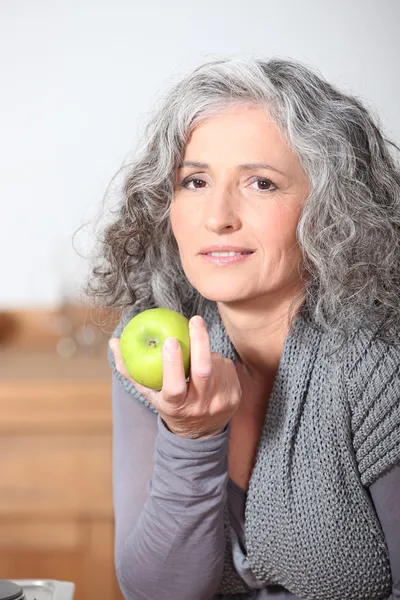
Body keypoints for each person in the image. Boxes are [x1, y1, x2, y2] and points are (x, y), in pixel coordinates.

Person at [87, 57, 400, 599]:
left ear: (331, 208)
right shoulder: (155, 341)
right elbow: (156, 593)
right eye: (195, 181)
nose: (218, 216)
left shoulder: (380, 363)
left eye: (260, 182)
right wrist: (192, 437)